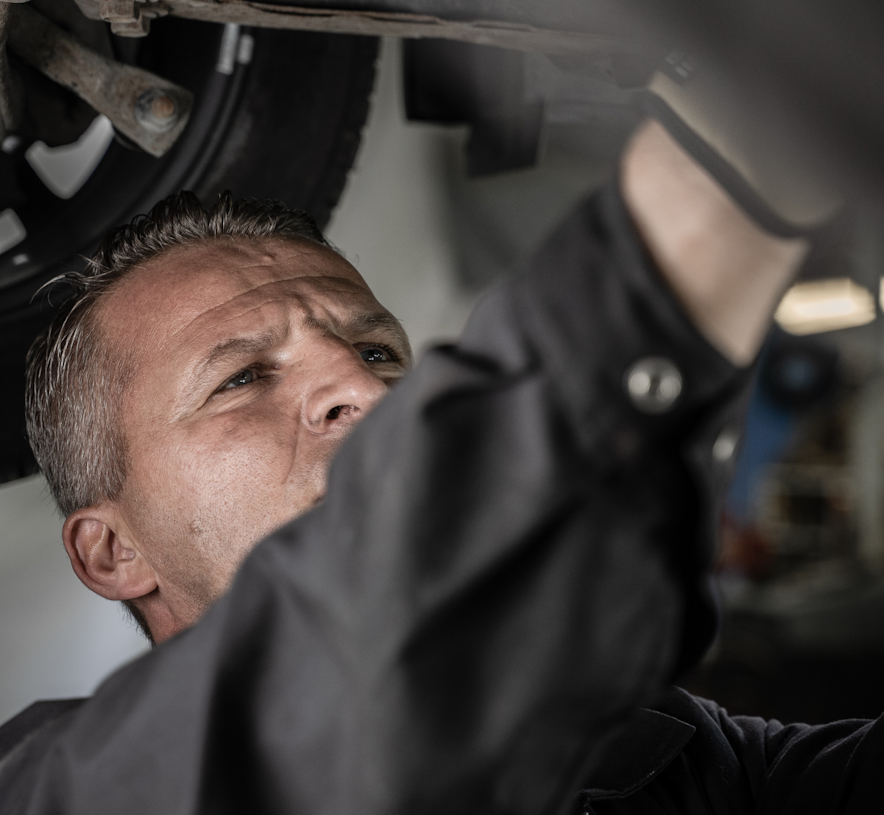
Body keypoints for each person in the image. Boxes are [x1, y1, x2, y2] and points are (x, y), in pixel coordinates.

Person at [2, 99, 874, 815]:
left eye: (380, 354)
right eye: (240, 377)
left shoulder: (685, 767)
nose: (367, 390)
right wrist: (718, 193)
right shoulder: (58, 793)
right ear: (113, 553)